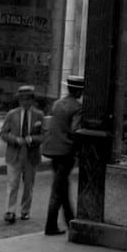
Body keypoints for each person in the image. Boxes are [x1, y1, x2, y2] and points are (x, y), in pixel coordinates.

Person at [41, 75, 84, 236]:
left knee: (62, 186)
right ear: (78, 91)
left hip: (53, 150)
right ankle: (50, 225)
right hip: (66, 152)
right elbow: (75, 130)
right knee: (58, 189)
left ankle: (69, 220)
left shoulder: (57, 103)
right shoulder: (77, 107)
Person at [0, 84, 45, 224]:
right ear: (19, 101)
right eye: (23, 100)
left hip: (31, 155)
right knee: (13, 183)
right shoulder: (12, 115)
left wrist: (33, 139)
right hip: (14, 154)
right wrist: (15, 140)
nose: (25, 102)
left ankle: (25, 211)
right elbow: (3, 133)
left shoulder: (39, 115)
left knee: (28, 185)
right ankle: (10, 211)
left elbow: (44, 135)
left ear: (32, 100)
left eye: (28, 100)